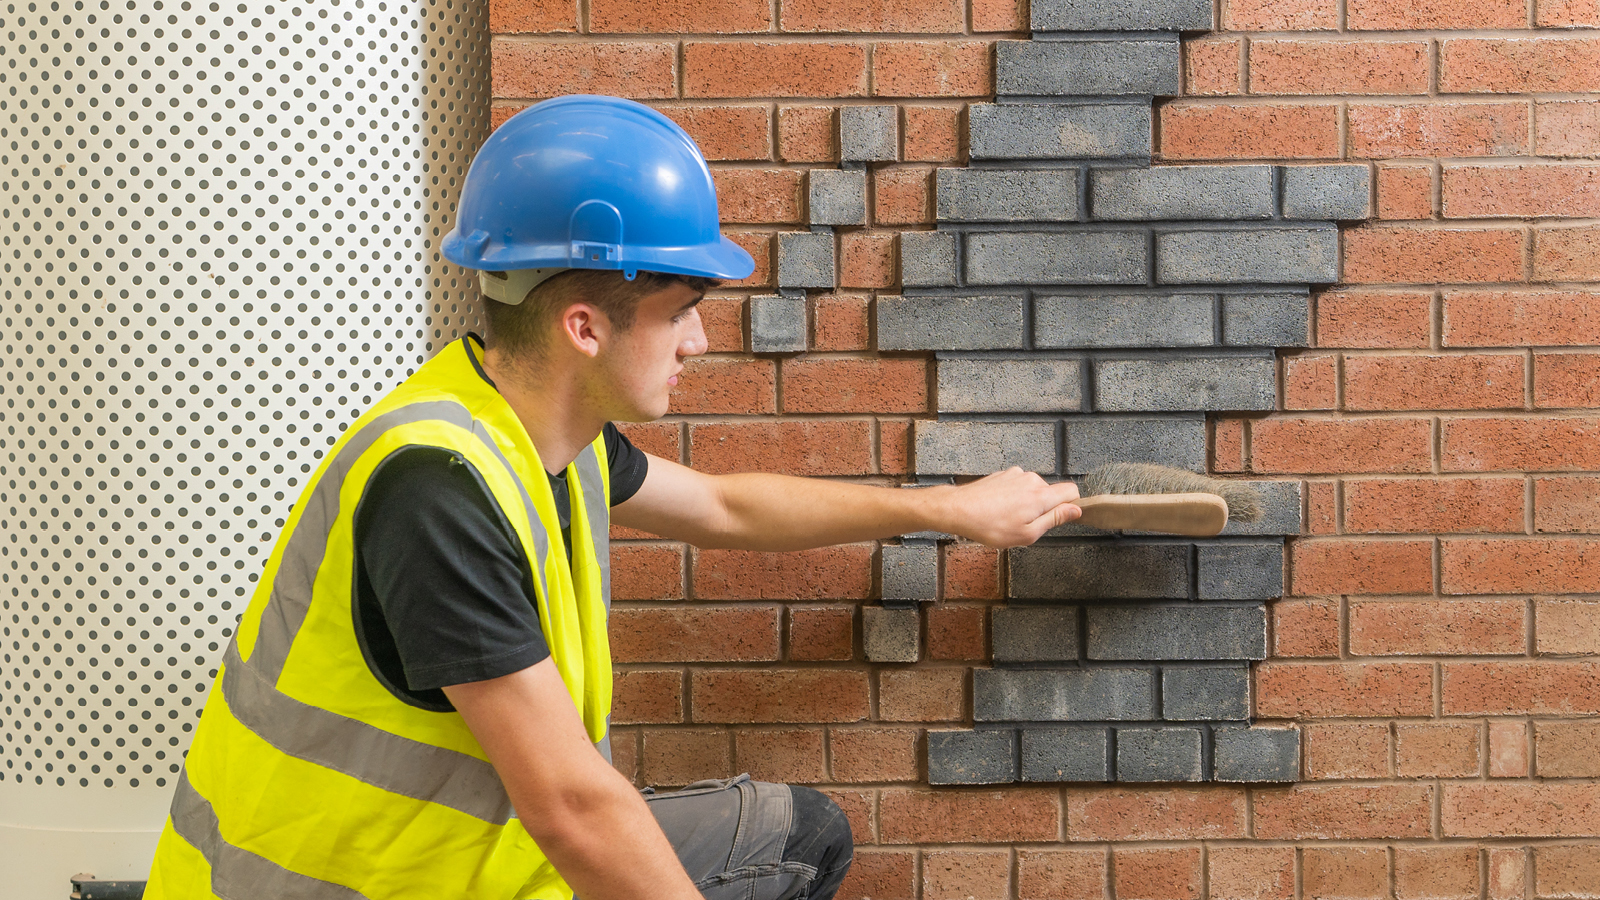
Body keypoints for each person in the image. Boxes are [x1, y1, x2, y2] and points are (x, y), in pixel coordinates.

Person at [143, 95, 1083, 900]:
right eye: (680, 312)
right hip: (348, 884)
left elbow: (726, 510)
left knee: (795, 837)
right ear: (584, 326)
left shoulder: (549, 440)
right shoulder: (437, 488)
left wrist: (946, 508)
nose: (700, 342)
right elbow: (569, 807)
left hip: (470, 864)